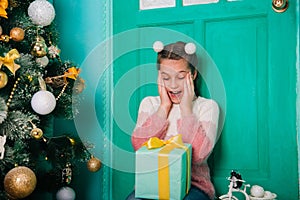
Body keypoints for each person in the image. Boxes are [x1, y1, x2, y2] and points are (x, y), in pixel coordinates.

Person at [126, 41, 220, 200]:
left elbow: (198, 156)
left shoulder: (207, 107)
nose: (173, 85)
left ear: (193, 74)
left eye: (181, 77)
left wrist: (186, 109)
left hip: (194, 187)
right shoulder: (150, 104)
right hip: (152, 186)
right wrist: (164, 107)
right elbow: (139, 146)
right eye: (166, 77)